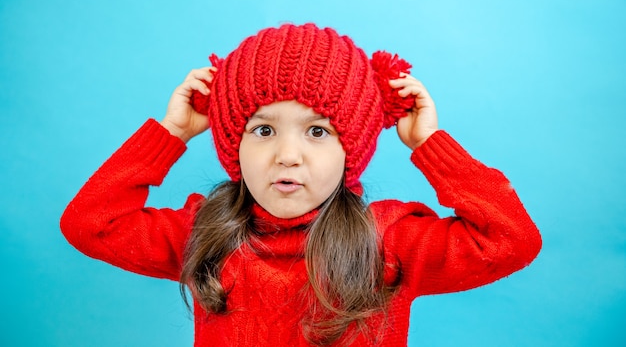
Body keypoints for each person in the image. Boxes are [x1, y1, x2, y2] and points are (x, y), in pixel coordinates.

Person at [60, 23, 542, 346]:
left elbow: (510, 240)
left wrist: (429, 144)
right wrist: (171, 134)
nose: (287, 155)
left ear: (351, 148)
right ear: (233, 144)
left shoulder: (389, 243)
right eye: (263, 129)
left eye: (318, 131)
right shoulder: (202, 234)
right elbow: (90, 224)